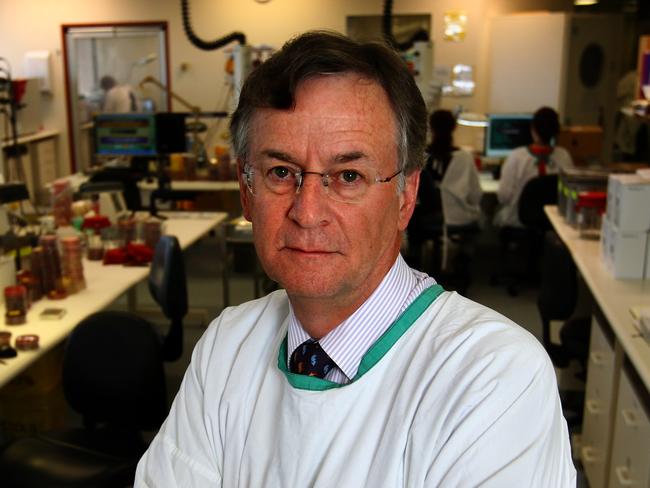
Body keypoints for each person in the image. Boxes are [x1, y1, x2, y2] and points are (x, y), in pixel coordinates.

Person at [135, 31, 576, 487]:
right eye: (281, 172)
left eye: (348, 175)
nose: (307, 212)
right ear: (246, 192)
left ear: (406, 195)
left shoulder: (493, 375)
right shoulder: (227, 343)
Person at [495, 106, 573, 227]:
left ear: (533, 129)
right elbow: (569, 195)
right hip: (552, 224)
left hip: (518, 223)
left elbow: (503, 197)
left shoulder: (516, 157)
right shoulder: (564, 156)